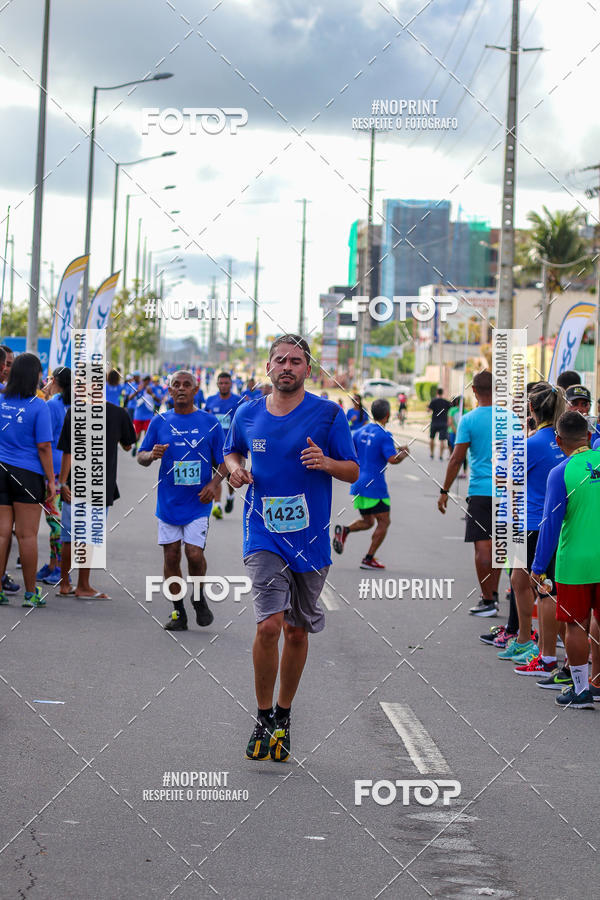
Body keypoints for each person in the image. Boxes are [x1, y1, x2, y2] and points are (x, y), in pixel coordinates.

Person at [224, 334, 358, 762]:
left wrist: (327, 464)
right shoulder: (247, 414)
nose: (287, 366)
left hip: (311, 539)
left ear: (309, 370)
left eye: (296, 361)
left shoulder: (328, 415)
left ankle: (283, 714)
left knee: (297, 630)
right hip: (262, 533)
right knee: (269, 625)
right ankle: (263, 716)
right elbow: (231, 453)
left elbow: (353, 470)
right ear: (268, 367)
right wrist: (235, 470)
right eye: (279, 359)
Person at [137, 370, 226, 630]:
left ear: (195, 390)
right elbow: (141, 457)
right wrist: (151, 455)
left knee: (194, 554)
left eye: (187, 384)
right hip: (168, 503)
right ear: (169, 390)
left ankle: (198, 597)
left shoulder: (209, 422)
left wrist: (213, 483)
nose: (181, 388)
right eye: (176, 384)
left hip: (198, 502)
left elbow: (224, 461)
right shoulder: (160, 421)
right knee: (172, 556)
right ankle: (178, 612)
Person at [531, 411, 600, 709]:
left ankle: (582, 690)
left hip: (574, 562)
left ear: (558, 441)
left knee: (576, 626)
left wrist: (537, 566)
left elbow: (550, 524)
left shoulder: (560, 473)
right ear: (588, 434)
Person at [504, 383, 566, 672]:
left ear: (531, 410)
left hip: (531, 522)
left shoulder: (532, 444)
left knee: (544, 588)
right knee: (520, 579)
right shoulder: (560, 440)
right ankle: (525, 639)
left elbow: (506, 479)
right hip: (539, 522)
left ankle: (545, 653)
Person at [56, 387, 136, 600]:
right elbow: (128, 445)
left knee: (69, 537)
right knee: (89, 536)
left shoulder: (74, 412)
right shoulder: (119, 414)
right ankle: (83, 586)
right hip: (101, 484)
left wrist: (62, 482)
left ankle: (65, 584)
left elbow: (68, 452)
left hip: (74, 484)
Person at [438, 370, 501, 617]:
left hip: (481, 491)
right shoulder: (511, 418)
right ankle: (494, 594)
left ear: (474, 391)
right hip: (507, 492)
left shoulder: (469, 420)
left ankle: (487, 601)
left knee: (482, 548)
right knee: (499, 547)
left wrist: (444, 490)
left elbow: (456, 459)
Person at [0, 353, 54, 608]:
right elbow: (44, 446)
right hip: (27, 474)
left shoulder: (1, 399)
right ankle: (31, 594)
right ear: (34, 375)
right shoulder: (38, 405)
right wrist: (52, 481)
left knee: (1, 535)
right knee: (27, 535)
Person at [333, 398, 408, 569]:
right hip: (375, 486)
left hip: (358, 483)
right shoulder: (385, 434)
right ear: (388, 415)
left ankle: (345, 530)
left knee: (368, 521)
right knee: (384, 522)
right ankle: (368, 558)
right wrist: (403, 453)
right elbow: (392, 459)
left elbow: (358, 451)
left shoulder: (360, 431)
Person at [37, 366, 71, 587]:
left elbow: (44, 440)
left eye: (49, 379)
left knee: (55, 520)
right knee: (57, 519)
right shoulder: (78, 405)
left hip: (55, 470)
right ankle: (52, 564)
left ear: (55, 381)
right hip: (70, 468)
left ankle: (59, 567)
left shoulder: (51, 405)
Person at [204, 372, 241, 518]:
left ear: (231, 384)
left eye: (226, 383)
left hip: (231, 447)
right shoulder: (210, 400)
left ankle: (230, 497)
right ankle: (217, 505)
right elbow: (206, 421)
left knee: (229, 478)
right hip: (214, 446)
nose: (224, 385)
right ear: (217, 384)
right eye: (221, 383)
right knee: (216, 475)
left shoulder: (238, 401)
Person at [131, 375, 157, 456]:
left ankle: (146, 449)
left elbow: (159, 400)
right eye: (144, 380)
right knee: (137, 435)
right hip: (138, 415)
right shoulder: (137, 387)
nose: (146, 382)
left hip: (148, 415)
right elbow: (129, 398)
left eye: (147, 380)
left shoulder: (152, 388)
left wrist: (151, 394)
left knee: (147, 434)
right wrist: (137, 391)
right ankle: (136, 446)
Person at [428, 387, 451, 460]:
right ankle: (441, 456)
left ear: (437, 393)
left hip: (434, 422)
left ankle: (432, 454)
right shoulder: (446, 402)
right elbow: (450, 410)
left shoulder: (433, 401)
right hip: (443, 423)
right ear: (442, 393)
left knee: (432, 438)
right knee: (442, 440)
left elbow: (428, 410)